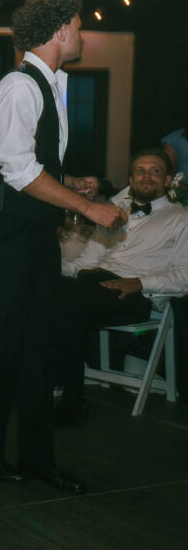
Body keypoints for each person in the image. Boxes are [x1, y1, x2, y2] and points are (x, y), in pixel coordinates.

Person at [0, 0, 126, 494]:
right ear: (59, 31)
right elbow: (15, 170)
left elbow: (36, 165)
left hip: (34, 234)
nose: (82, 34)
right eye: (79, 26)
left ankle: (39, 459)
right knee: (2, 344)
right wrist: (87, 206)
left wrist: (68, 180)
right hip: (8, 236)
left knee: (38, 346)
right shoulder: (20, 86)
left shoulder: (53, 83)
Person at [53, 149, 188, 424]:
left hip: (135, 295)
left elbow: (184, 276)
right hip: (93, 283)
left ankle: (71, 396)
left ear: (167, 180)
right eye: (140, 171)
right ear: (130, 178)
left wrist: (139, 282)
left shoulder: (181, 219)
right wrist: (49, 271)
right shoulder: (112, 214)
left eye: (155, 171)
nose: (146, 176)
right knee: (42, 287)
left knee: (64, 299)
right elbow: (84, 262)